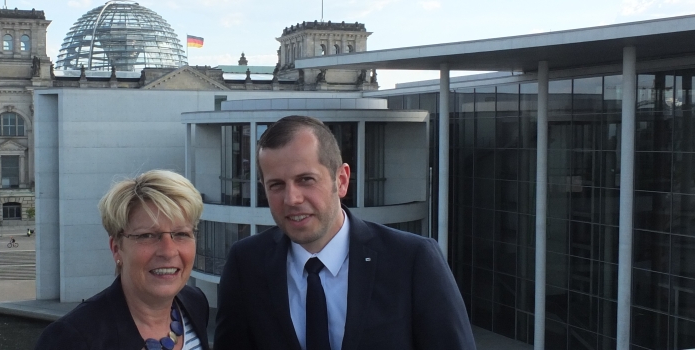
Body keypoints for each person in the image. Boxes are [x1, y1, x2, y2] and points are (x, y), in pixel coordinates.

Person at [214, 116, 474, 350]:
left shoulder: (412, 260)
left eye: (306, 179)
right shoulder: (246, 263)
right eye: (276, 185)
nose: (292, 198)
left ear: (341, 180)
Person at [35, 170, 209, 349]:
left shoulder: (194, 303)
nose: (168, 251)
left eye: (181, 234)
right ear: (117, 248)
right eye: (147, 235)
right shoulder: (71, 339)